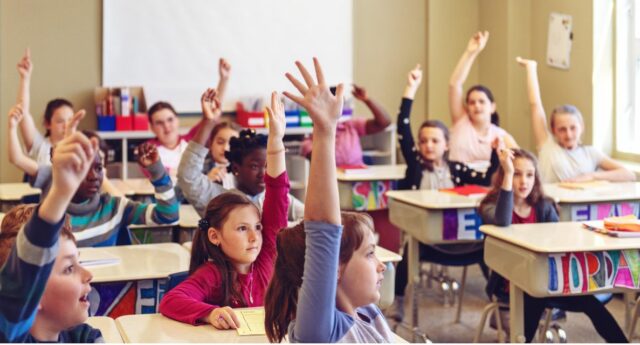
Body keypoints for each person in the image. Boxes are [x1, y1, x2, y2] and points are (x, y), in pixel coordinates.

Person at [264, 58, 393, 343]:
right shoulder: (319, 333)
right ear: (332, 268)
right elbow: (323, 229)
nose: (382, 265)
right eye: (370, 254)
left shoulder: (368, 313)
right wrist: (325, 131)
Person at [159, 90, 290, 328]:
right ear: (214, 236)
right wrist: (210, 313)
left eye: (258, 227)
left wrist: (276, 143)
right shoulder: (213, 274)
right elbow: (171, 301)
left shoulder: (266, 257)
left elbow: (279, 193)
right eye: (242, 229)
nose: (254, 237)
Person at [479, 148, 628, 342]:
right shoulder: (489, 205)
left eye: (530, 175)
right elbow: (502, 221)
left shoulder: (543, 206)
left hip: (546, 281)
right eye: (516, 174)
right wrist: (507, 172)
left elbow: (558, 243)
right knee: (533, 297)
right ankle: (519, 336)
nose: (524, 181)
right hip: (509, 284)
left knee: (591, 304)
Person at [388, 64, 500, 321]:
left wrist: (495, 153)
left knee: (489, 249)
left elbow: (485, 179)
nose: (428, 145)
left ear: (447, 144)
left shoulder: (458, 169)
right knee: (407, 256)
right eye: (424, 141)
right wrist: (411, 88)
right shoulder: (415, 167)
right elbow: (403, 129)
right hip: (425, 240)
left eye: (435, 140)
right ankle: (399, 301)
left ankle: (498, 302)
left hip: (459, 238)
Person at [0, 131, 103, 342]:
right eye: (69, 268)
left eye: (79, 262)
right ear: (31, 293)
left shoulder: (85, 337)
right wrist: (60, 194)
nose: (88, 274)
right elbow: (24, 274)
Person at [178, 90, 304, 220]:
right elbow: (188, 176)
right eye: (254, 167)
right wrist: (208, 122)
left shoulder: (277, 197)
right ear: (236, 169)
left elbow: (307, 218)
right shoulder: (220, 199)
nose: (263, 174)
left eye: (267, 166)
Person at [516, 57, 634, 183]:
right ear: (554, 130)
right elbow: (535, 105)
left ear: (581, 127)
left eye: (573, 128)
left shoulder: (591, 153)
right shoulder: (547, 146)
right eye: (562, 129)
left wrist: (592, 176)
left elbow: (629, 175)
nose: (569, 134)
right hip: (553, 202)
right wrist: (531, 68)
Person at [146, 58, 231, 176]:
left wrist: (224, 79)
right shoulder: (148, 151)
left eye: (170, 120)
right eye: (159, 123)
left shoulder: (191, 140)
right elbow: (158, 175)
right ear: (151, 127)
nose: (167, 126)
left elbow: (212, 114)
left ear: (177, 120)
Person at [448, 31, 518, 165]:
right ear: (467, 108)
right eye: (472, 102)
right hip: (457, 184)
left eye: (481, 101)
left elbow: (520, 162)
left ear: (492, 107)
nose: (477, 106)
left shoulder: (502, 136)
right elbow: (454, 84)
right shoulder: (461, 122)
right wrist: (470, 53)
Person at [300, 84, 392, 166]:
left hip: (357, 179)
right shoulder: (309, 142)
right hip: (332, 182)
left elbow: (384, 122)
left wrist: (366, 100)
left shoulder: (350, 126)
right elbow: (322, 163)